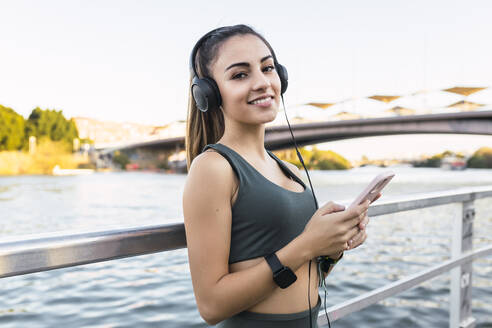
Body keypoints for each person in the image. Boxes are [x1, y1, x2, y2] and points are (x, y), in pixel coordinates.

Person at [183, 24, 374, 327]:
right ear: (208, 94)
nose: (262, 82)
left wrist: (332, 248)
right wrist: (308, 244)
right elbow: (211, 305)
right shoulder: (213, 168)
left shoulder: (291, 171)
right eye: (240, 75)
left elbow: (297, 272)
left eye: (268, 68)